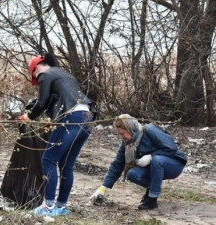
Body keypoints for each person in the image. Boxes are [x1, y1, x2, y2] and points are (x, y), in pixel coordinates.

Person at [19, 53, 94, 216]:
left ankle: (48, 206)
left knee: (48, 160)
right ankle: (61, 207)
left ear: (36, 68)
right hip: (86, 119)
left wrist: (29, 117)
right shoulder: (65, 74)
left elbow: (42, 101)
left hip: (71, 119)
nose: (37, 79)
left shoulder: (45, 75)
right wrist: (52, 120)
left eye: (34, 75)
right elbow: (61, 99)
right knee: (66, 165)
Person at [90, 114, 187, 210]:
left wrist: (151, 156)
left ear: (130, 129)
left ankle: (152, 199)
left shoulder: (149, 130)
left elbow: (171, 148)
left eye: (122, 133)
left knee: (157, 160)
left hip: (174, 163)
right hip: (156, 167)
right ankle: (152, 189)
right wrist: (103, 188)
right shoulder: (128, 143)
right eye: (119, 134)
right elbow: (117, 164)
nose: (121, 137)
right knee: (132, 174)